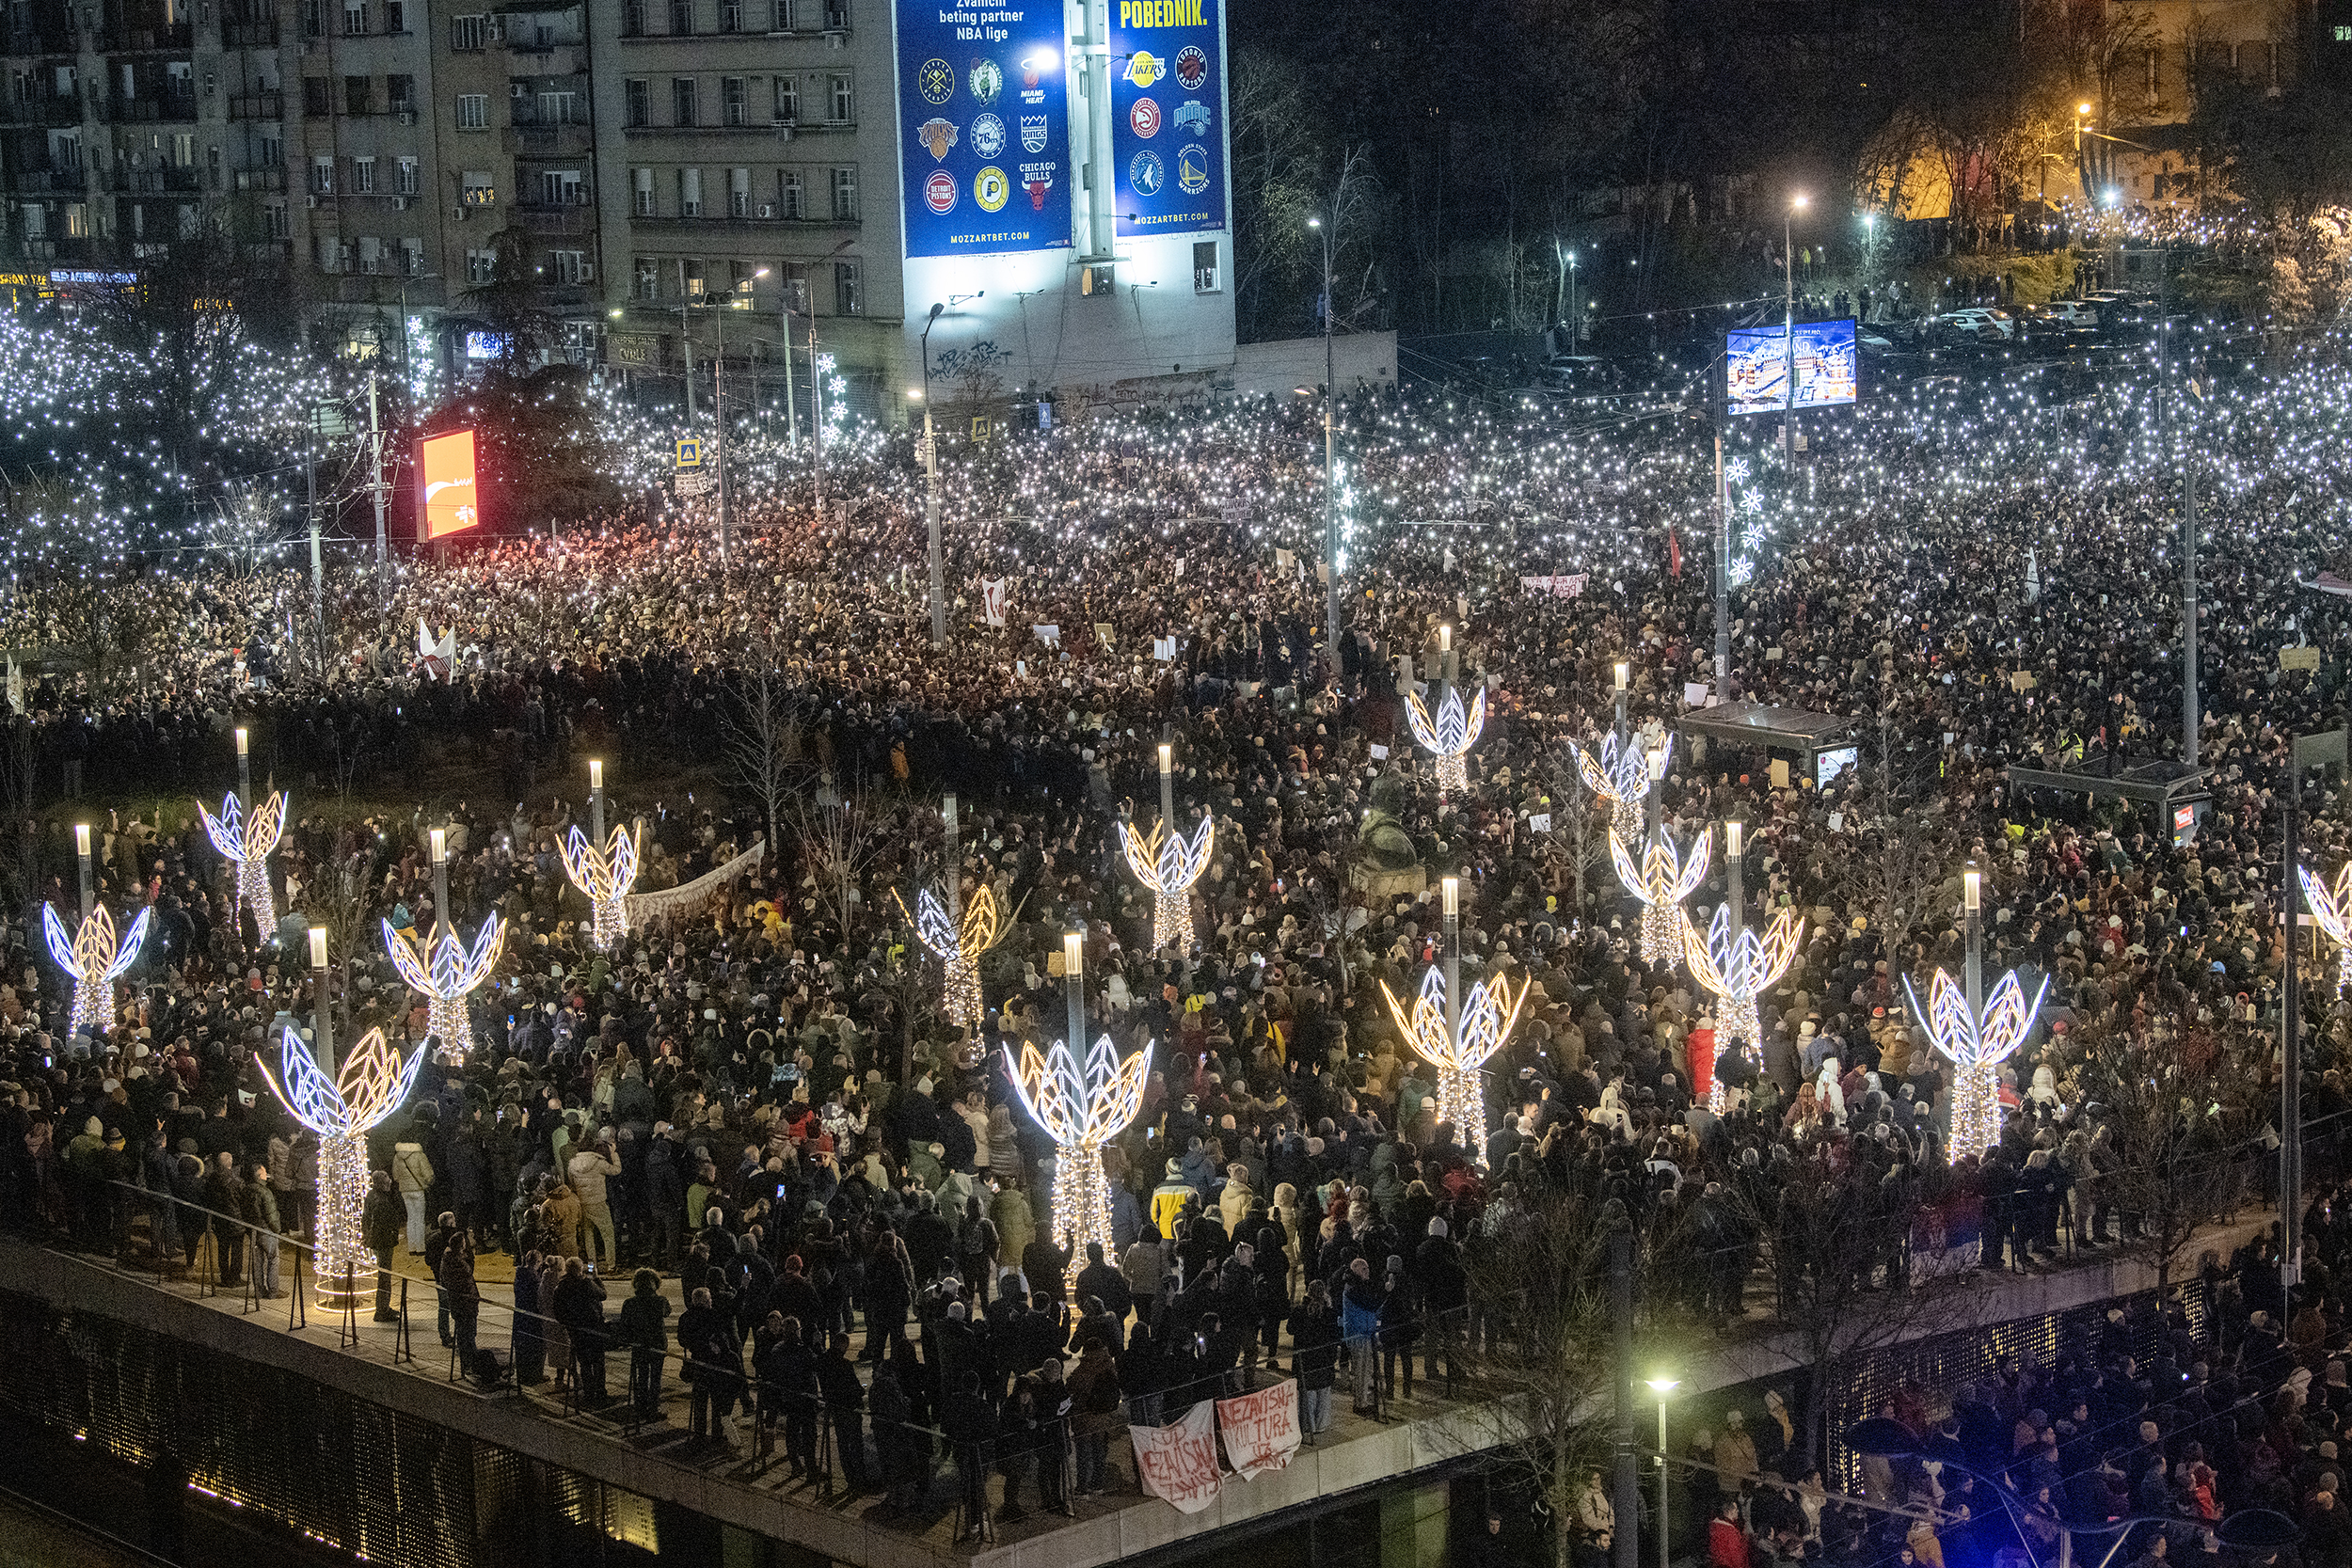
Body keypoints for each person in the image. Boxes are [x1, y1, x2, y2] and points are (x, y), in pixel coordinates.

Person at [551, 1257, 611, 1403]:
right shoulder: (586, 1284)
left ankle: (588, 1393)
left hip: (576, 1331)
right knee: (598, 1362)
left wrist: (569, 1324)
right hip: (593, 1328)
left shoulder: (561, 1287)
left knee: (584, 1363)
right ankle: (600, 1392)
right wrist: (596, 1278)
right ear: (580, 1269)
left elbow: (558, 1312)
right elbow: (603, 1295)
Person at [617, 1266, 671, 1419]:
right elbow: (667, 1312)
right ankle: (653, 1408)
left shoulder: (629, 1303)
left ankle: (640, 1407)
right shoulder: (660, 1301)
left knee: (641, 1376)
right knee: (655, 1378)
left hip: (639, 1344)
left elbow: (624, 1323)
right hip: (657, 1344)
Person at [362, 1168, 404, 1322]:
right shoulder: (382, 1202)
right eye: (387, 1180)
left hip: (377, 1240)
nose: (390, 1182)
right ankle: (382, 1310)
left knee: (384, 1275)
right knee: (385, 1275)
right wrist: (393, 1234)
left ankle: (384, 1307)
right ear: (382, 1184)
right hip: (384, 1242)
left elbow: (366, 1218)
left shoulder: (371, 1196)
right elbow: (386, 1223)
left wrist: (367, 1236)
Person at [438, 1226, 481, 1368]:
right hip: (465, 1305)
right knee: (467, 1335)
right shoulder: (457, 1264)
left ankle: (469, 1363)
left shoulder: (448, 1260)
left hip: (459, 1304)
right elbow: (464, 1283)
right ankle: (470, 1364)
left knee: (465, 1334)